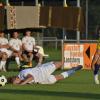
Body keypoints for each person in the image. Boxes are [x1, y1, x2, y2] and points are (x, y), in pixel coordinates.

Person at [8, 61, 82, 85]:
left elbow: (31, 77)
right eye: (16, 83)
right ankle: (73, 70)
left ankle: (73, 66)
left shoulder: (22, 73)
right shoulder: (21, 80)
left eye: (16, 82)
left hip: (43, 70)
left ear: (16, 78)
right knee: (59, 77)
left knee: (59, 63)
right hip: (42, 80)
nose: (17, 83)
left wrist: (22, 84)